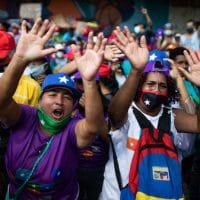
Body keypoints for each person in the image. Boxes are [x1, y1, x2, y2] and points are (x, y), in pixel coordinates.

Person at [0, 18, 108, 199]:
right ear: (39, 100)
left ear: (73, 106)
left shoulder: (73, 129)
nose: (59, 101)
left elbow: (93, 126)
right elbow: (2, 103)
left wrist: (88, 81)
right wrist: (19, 59)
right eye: (52, 95)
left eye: (67, 97)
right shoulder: (26, 115)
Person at [99, 26, 200, 200]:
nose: (156, 90)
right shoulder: (126, 113)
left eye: (162, 86)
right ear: (139, 86)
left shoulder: (172, 115)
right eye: (150, 84)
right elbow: (114, 114)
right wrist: (136, 71)